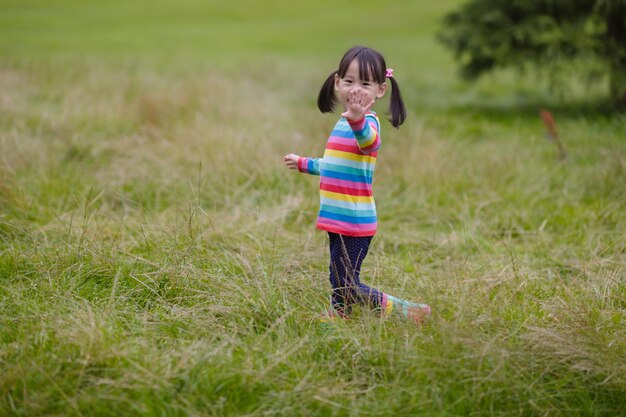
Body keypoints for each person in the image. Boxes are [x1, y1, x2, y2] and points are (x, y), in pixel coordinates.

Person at [283, 46, 431, 324]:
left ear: (380, 90)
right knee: (337, 276)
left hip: (355, 221)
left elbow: (369, 143)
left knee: (348, 282)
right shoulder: (342, 124)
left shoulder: (367, 124)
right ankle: (342, 315)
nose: (356, 89)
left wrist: (358, 120)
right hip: (337, 218)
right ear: (338, 82)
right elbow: (332, 164)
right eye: (349, 81)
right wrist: (303, 162)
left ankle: (408, 311)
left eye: (365, 83)